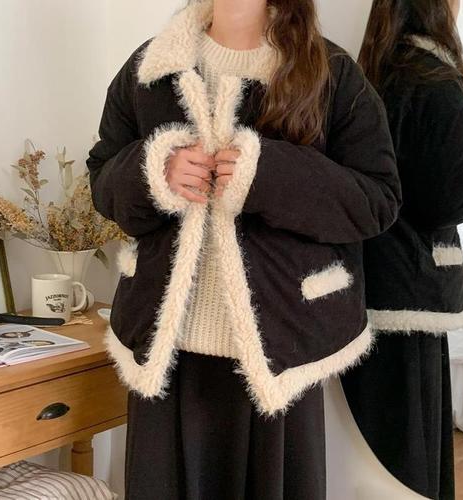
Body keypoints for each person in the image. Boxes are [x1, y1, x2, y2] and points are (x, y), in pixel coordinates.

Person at [87, 0, 401, 497]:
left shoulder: (331, 72)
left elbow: (377, 201)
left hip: (281, 353)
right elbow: (102, 180)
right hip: (166, 351)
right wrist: (155, 170)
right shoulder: (148, 69)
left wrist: (268, 174)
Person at [341, 1, 463, 499]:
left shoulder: (369, 73)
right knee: (412, 451)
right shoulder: (436, 81)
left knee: (375, 448)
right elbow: (447, 198)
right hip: (413, 289)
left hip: (367, 281)